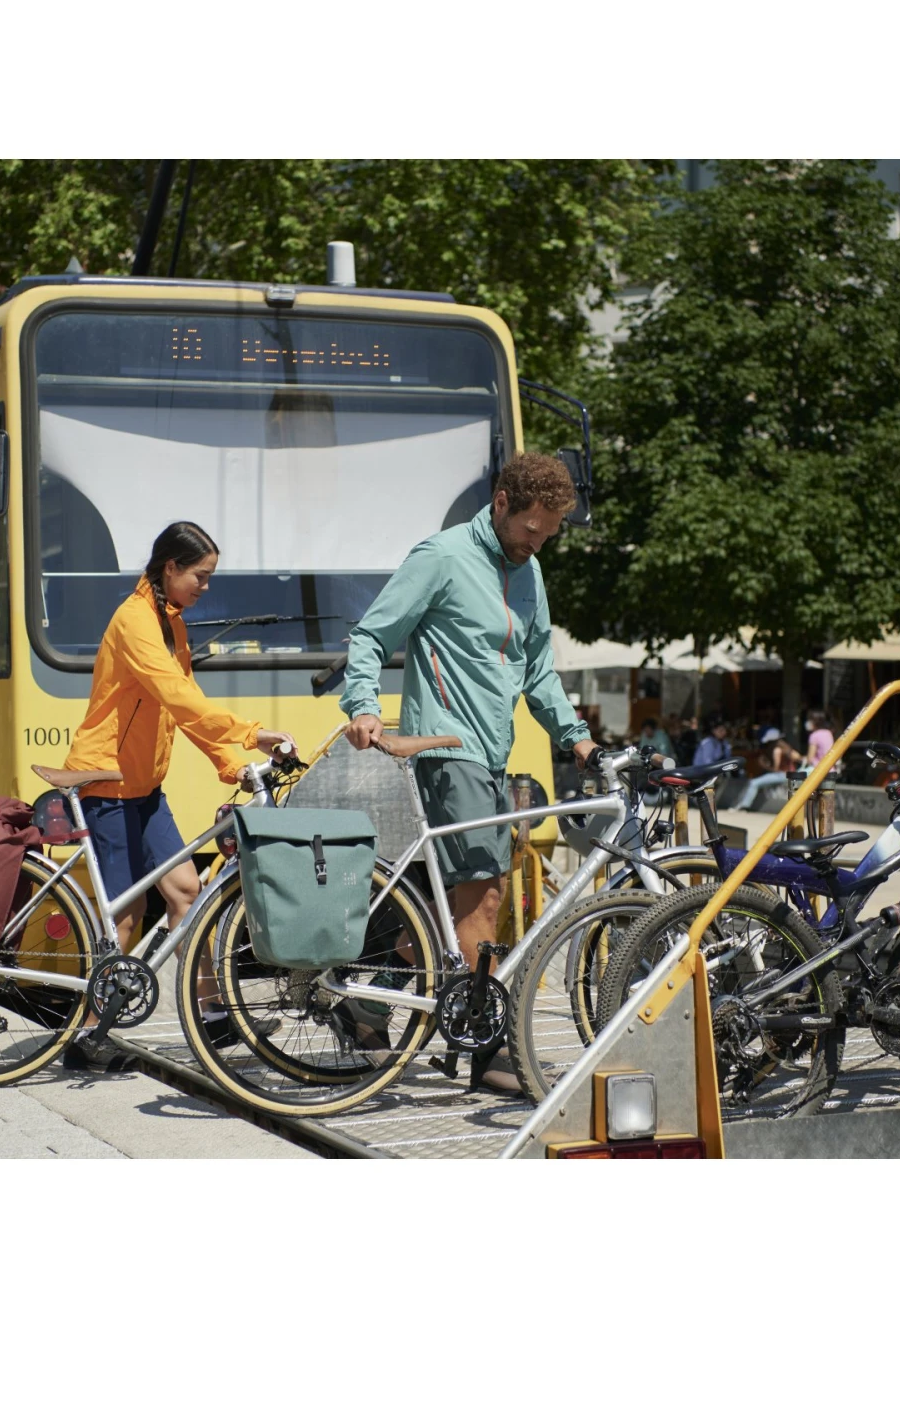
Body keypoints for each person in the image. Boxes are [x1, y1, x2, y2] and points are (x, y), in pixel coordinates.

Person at [340, 452, 597, 1091]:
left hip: (492, 753)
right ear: (502, 503)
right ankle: (485, 1043)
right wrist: (364, 705)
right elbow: (371, 635)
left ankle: (368, 1002)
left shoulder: (529, 572)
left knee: (452, 902)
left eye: (549, 534)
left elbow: (538, 670)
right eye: (532, 529)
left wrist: (578, 739)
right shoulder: (444, 556)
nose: (537, 543)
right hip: (447, 747)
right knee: (485, 893)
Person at [60, 521, 296, 1072]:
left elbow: (184, 706)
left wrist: (232, 765)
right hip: (107, 784)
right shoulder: (135, 621)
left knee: (188, 892)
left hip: (143, 787)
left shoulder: (172, 624)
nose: (206, 587)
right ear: (170, 568)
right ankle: (88, 1034)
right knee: (126, 914)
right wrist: (250, 732)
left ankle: (212, 1014)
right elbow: (177, 696)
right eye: (201, 576)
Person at [732, 726, 802, 811]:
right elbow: (799, 758)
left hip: (782, 775)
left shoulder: (776, 750)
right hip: (790, 775)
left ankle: (744, 805)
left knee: (753, 783)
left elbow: (776, 770)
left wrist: (764, 765)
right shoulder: (788, 749)